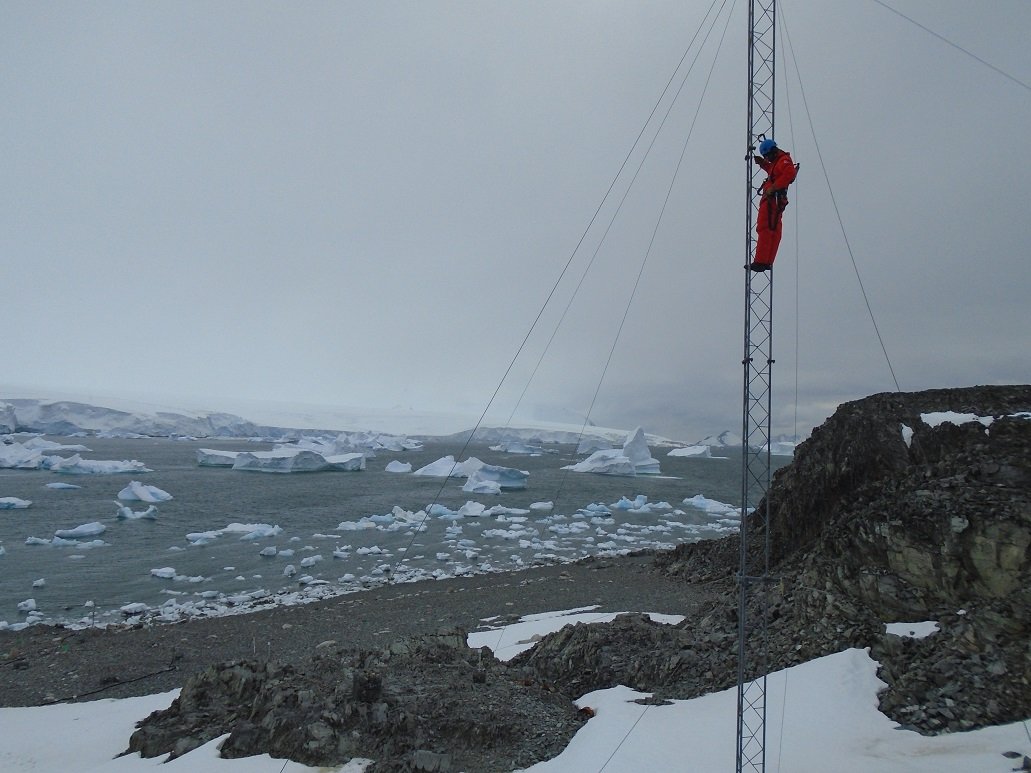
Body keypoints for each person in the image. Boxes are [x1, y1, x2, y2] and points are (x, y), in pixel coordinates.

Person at [749, 138, 797, 271]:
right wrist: (762, 163)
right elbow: (773, 170)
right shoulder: (778, 161)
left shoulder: (783, 161)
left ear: (772, 151)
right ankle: (766, 261)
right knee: (773, 230)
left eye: (767, 156)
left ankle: (761, 261)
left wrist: (774, 187)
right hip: (776, 200)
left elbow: (789, 173)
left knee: (765, 228)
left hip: (772, 200)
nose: (768, 159)